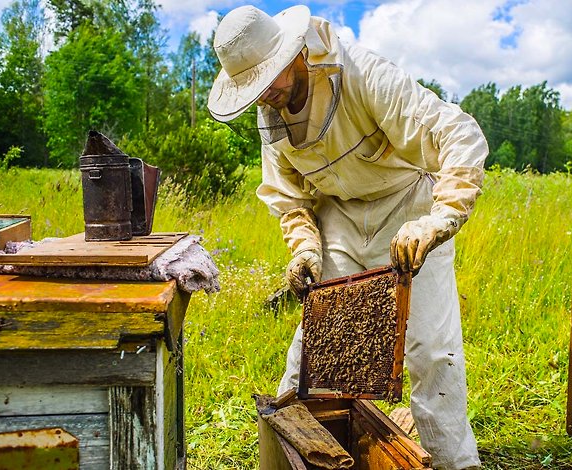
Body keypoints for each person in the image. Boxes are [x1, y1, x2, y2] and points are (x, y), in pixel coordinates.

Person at [208, 5, 488, 469]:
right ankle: (291, 450)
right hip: (337, 214)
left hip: (407, 204)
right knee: (316, 345)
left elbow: (459, 133)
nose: (269, 94)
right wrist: (305, 251)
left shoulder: (362, 73)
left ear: (296, 53)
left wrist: (438, 220)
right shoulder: (271, 113)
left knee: (430, 348)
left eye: (271, 79)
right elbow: (292, 201)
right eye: (256, 89)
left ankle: (452, 461)